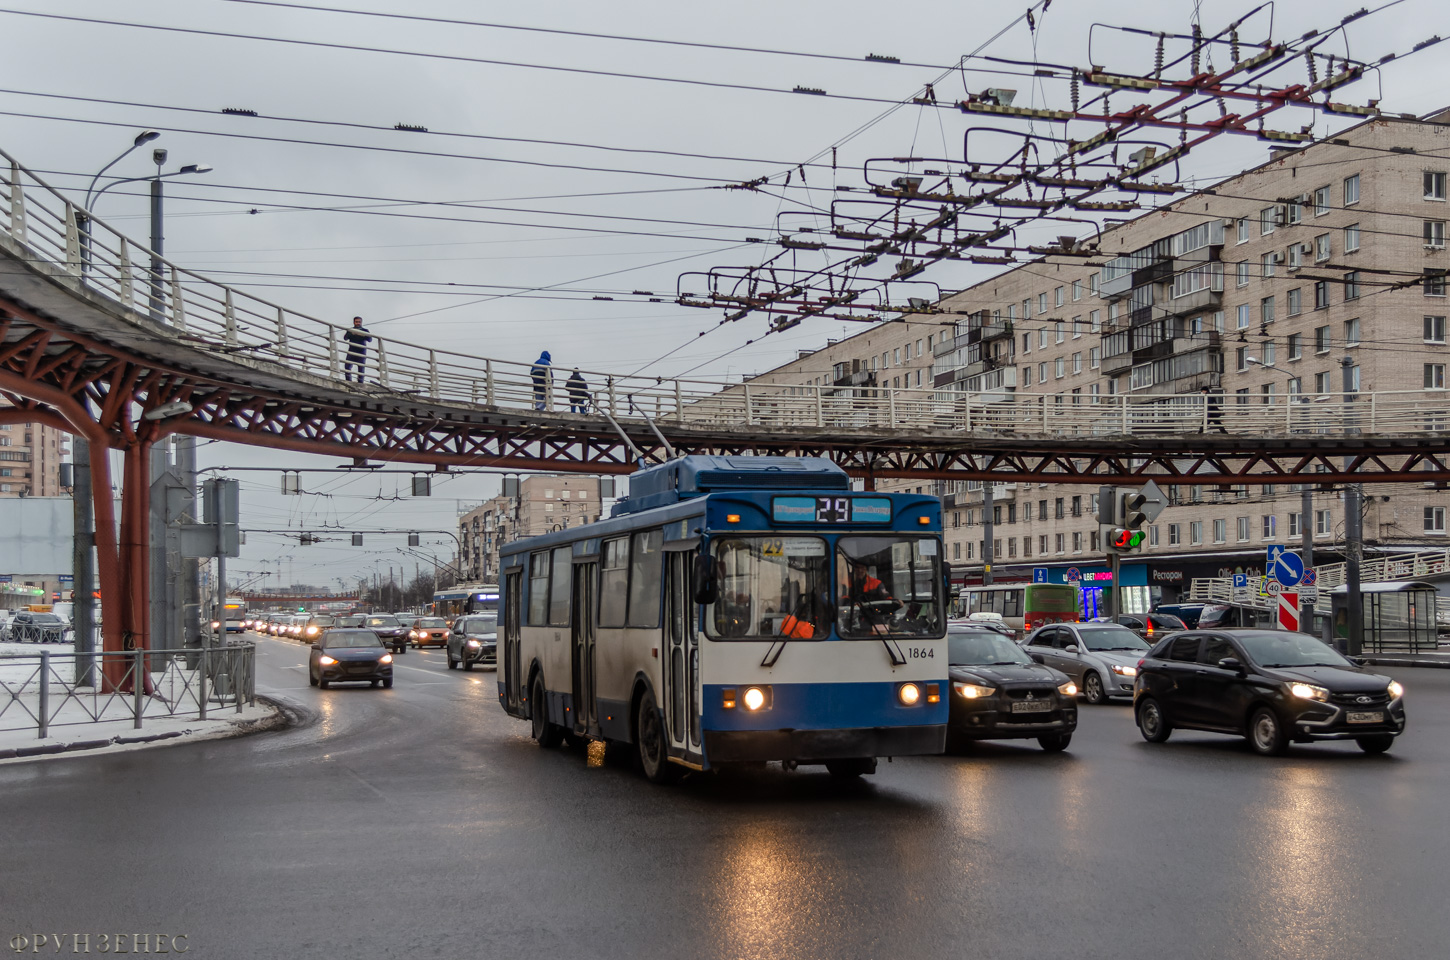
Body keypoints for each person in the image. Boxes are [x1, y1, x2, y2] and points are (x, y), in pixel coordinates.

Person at [843, 559, 902, 635]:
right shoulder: (846, 583)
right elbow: (843, 598)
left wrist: (896, 602)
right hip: (852, 616)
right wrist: (853, 605)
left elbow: (885, 596)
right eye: (857, 568)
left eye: (862, 568)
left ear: (866, 569)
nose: (860, 570)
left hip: (873, 616)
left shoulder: (876, 583)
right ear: (853, 569)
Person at [343, 316, 372, 383]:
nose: (358, 323)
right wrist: (353, 334)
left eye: (359, 322)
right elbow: (345, 338)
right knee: (347, 367)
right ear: (354, 322)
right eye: (356, 322)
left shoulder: (365, 330)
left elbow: (370, 339)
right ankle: (348, 381)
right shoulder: (350, 330)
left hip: (361, 351)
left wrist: (362, 335)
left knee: (361, 368)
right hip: (352, 350)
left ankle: (360, 383)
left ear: (361, 322)